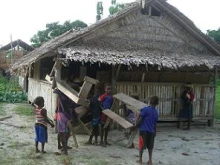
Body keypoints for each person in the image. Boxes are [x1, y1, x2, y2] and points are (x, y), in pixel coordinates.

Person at [135, 96, 159, 165]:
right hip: (151, 131)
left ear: (149, 101)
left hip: (143, 130)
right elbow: (155, 124)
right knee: (150, 147)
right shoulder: (156, 112)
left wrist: (135, 126)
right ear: (157, 103)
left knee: (141, 146)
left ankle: (140, 160)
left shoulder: (145, 109)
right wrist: (155, 131)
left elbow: (140, 119)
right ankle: (150, 161)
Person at [53, 88, 77, 155]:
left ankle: (64, 149)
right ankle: (64, 147)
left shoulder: (61, 96)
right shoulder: (71, 99)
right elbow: (74, 106)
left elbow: (54, 89)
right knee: (65, 133)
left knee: (62, 133)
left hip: (61, 115)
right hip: (67, 116)